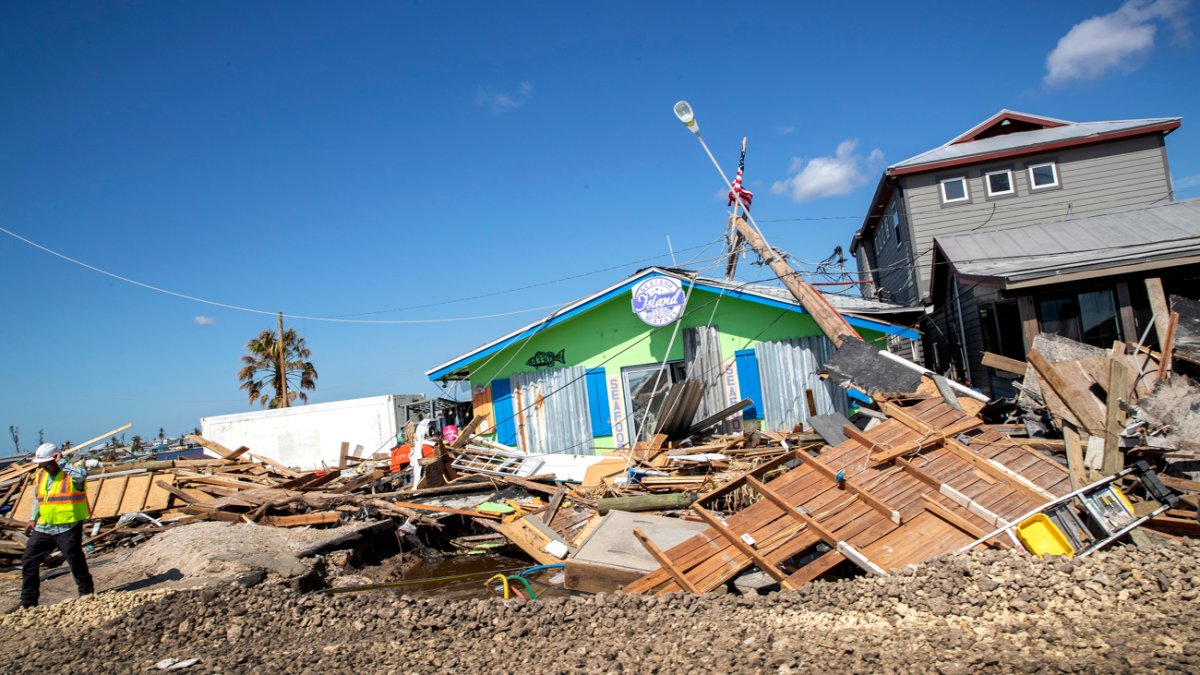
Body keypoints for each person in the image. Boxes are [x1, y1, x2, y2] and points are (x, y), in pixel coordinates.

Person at [20, 443, 94, 608]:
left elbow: (82, 476)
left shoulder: (72, 472)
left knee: (74, 559)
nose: (45, 467)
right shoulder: (41, 475)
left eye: (47, 464)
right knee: (28, 560)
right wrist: (33, 518)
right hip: (44, 527)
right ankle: (28, 603)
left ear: (56, 458)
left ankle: (86, 593)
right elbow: (39, 498)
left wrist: (63, 464)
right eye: (42, 465)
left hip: (67, 526)